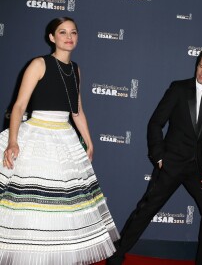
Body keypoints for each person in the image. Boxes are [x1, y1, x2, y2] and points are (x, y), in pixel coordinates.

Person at [0, 17, 119, 264]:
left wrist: (89, 141)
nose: (69, 36)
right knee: (31, 205)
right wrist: (13, 141)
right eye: (62, 32)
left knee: (63, 207)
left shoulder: (76, 69)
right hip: (36, 136)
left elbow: (77, 111)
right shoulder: (39, 64)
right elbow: (19, 106)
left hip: (64, 138)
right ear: (52, 38)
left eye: (73, 32)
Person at [107, 48, 202, 265]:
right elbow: (156, 123)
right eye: (200, 66)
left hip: (200, 167)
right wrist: (159, 157)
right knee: (146, 210)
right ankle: (116, 256)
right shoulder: (179, 89)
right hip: (171, 163)